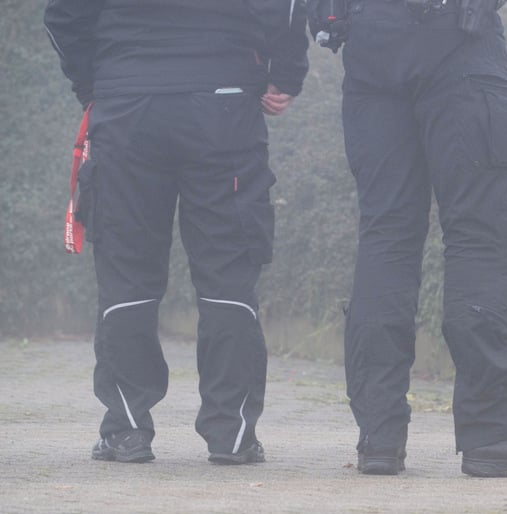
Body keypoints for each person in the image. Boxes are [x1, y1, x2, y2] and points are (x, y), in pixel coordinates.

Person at [310, 0, 507, 476]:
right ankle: (493, 428)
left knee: (386, 235)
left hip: (371, 48)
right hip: (457, 45)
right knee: (479, 236)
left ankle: (379, 435)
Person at [44, 0, 309, 464]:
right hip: (222, 101)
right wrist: (285, 73)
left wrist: (96, 83)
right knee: (227, 268)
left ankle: (126, 430)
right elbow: (283, 7)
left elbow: (63, 15)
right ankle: (233, 434)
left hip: (126, 104)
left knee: (127, 270)